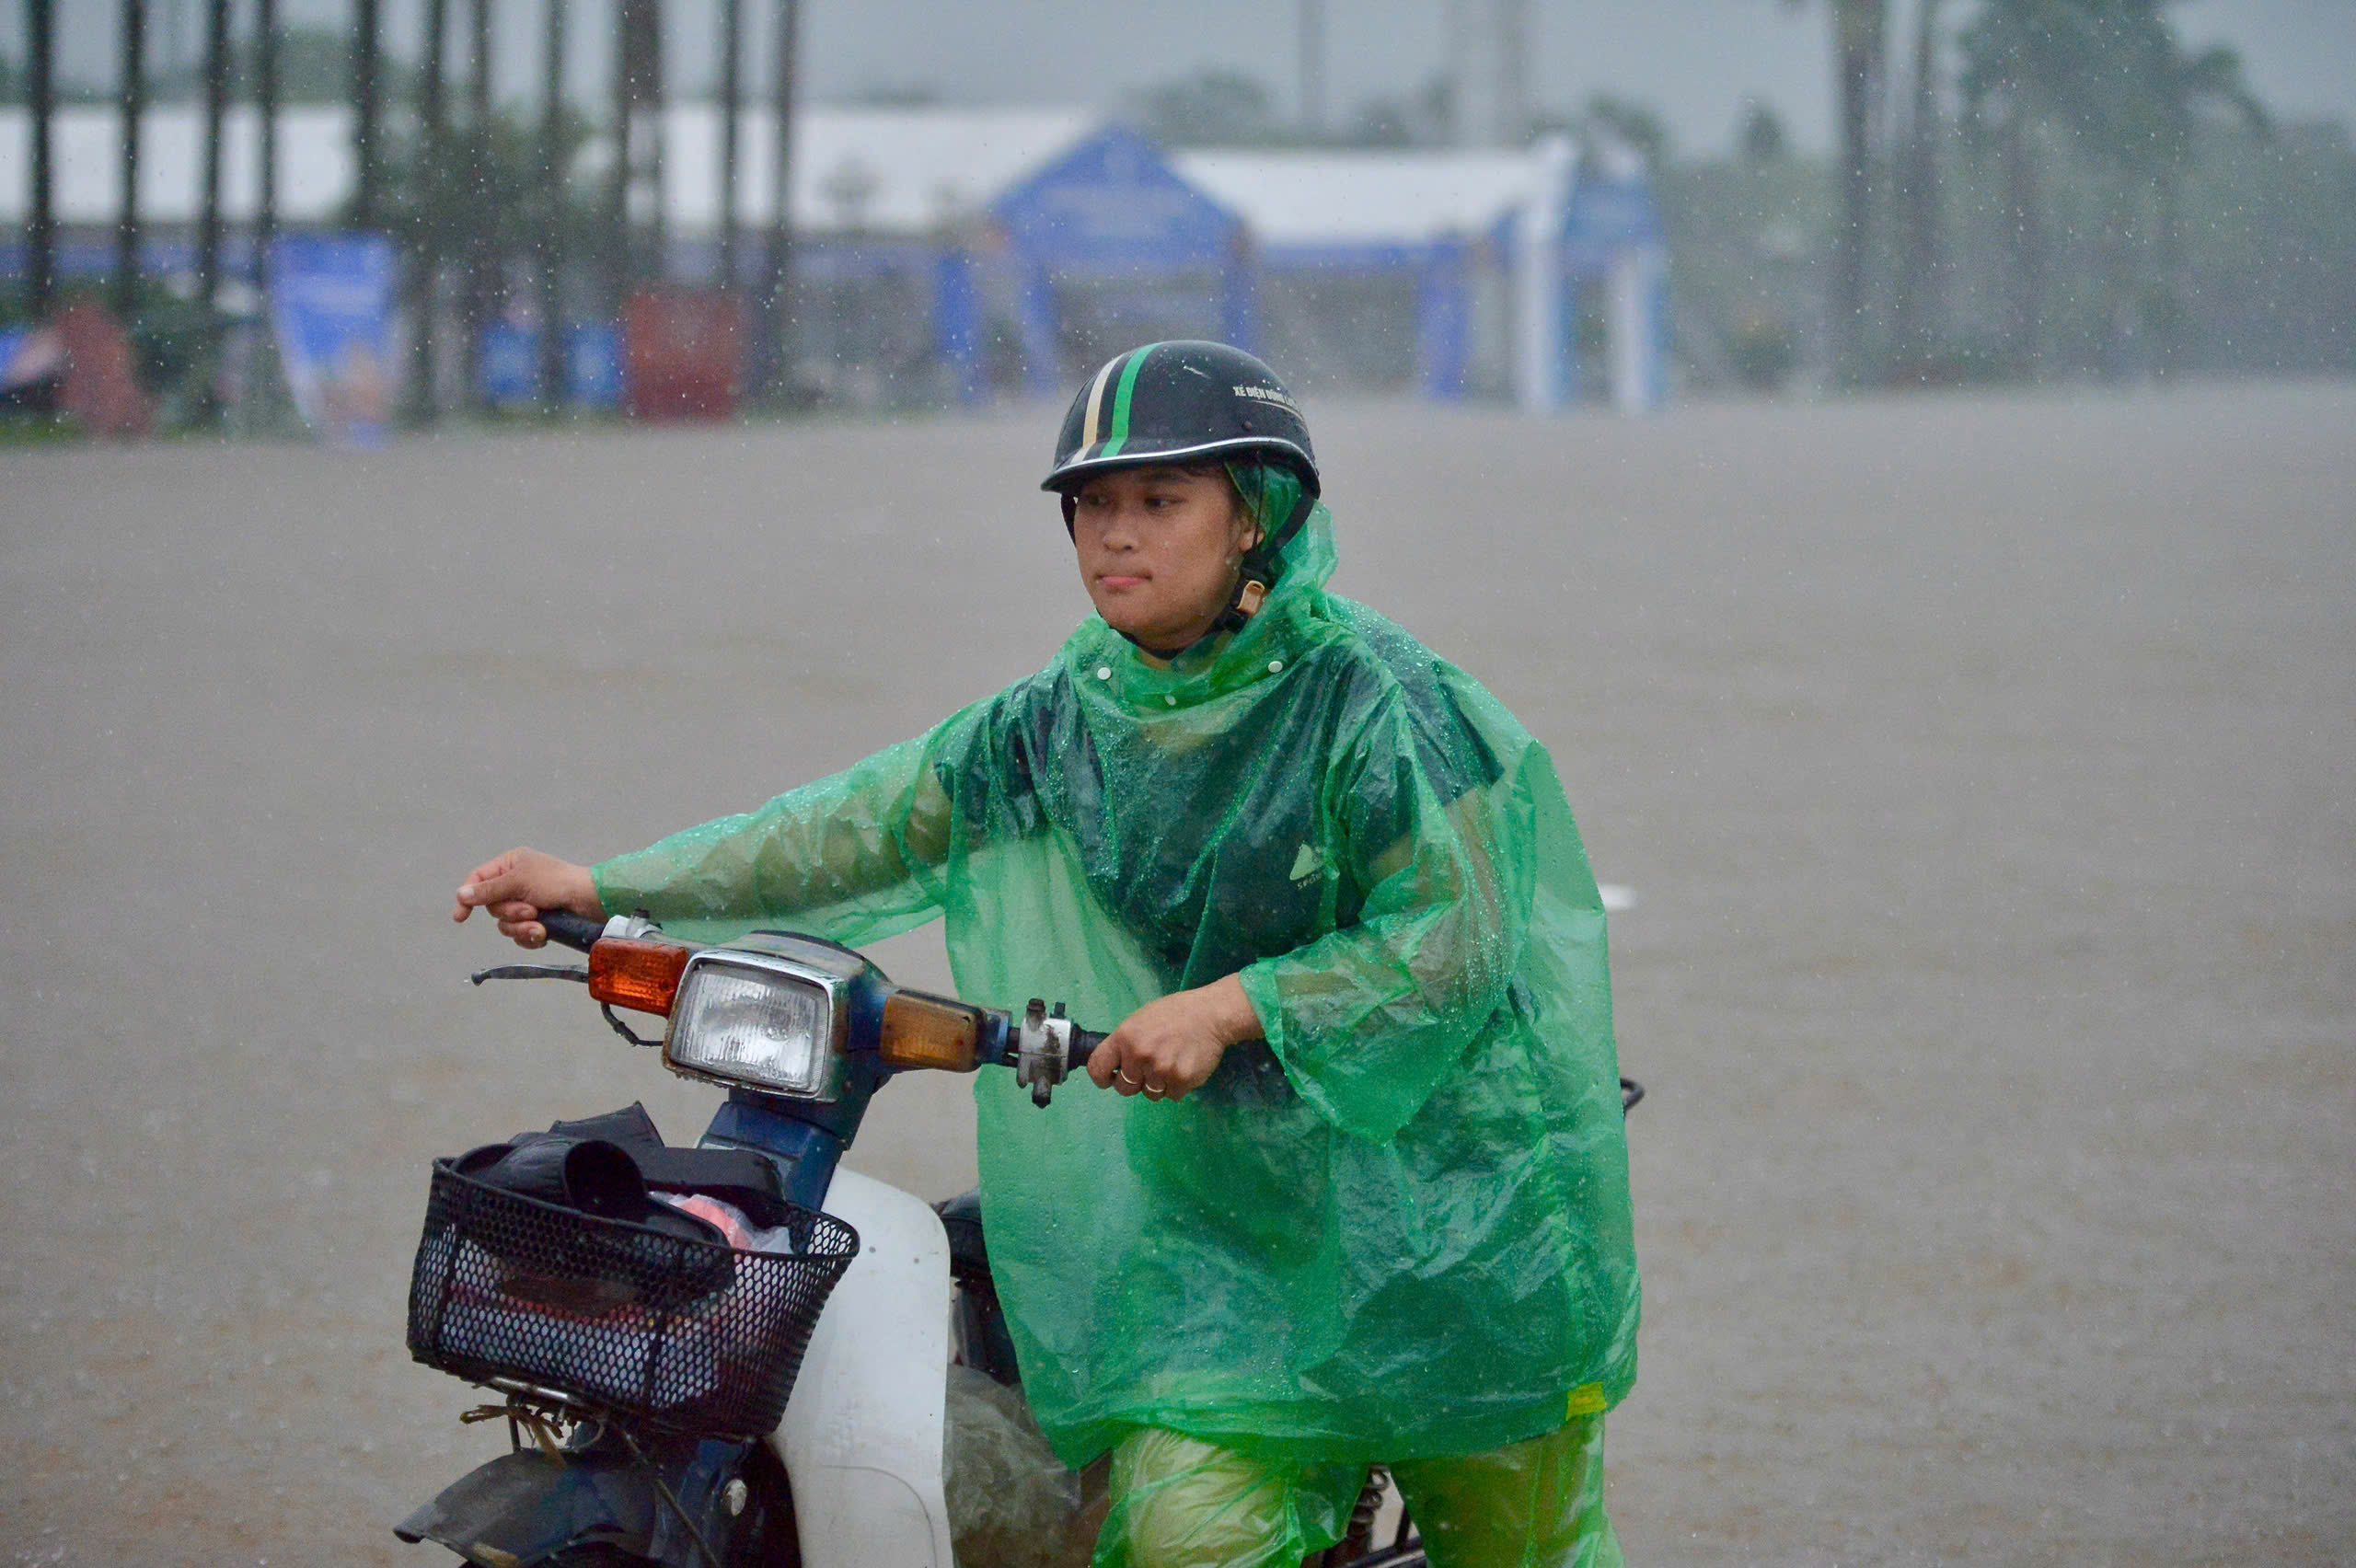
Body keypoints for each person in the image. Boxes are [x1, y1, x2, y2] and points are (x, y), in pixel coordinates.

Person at [454, 341, 1640, 1568]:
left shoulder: (1379, 703)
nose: (1115, 537)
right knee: (1187, 1538)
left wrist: (1229, 1009)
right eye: (1093, 506)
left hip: (1457, 1217)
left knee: (1523, 1551)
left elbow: (1452, 941)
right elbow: (855, 826)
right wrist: (605, 882)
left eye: (1159, 503)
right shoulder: (1066, 722)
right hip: (1235, 1224)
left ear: (1255, 522)